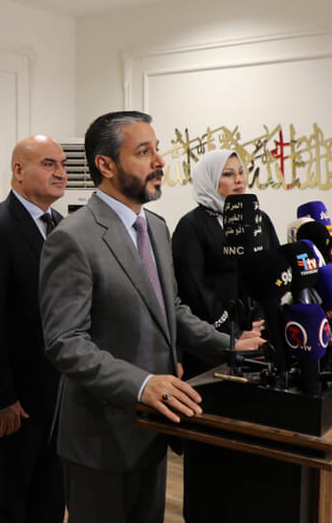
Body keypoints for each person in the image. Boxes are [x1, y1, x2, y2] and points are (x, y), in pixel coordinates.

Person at [39, 111, 265, 523]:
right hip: (100, 438)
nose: (160, 161)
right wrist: (142, 384)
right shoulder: (72, 237)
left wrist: (232, 346)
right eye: (144, 152)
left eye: (157, 150)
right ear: (106, 165)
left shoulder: (156, 227)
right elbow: (65, 342)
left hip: (153, 428)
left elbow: (170, 310)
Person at [0, 134, 67, 523]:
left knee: (50, 497)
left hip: (56, 392)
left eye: (62, 164)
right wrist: (1, 398)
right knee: (11, 502)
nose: (60, 172)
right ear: (18, 171)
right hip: (15, 400)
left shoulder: (60, 225)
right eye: (49, 164)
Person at [171, 149, 280, 378]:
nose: (239, 180)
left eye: (241, 172)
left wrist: (261, 320)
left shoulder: (260, 219)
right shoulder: (192, 225)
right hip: (211, 344)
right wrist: (233, 330)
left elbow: (274, 270)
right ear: (210, 179)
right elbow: (193, 288)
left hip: (259, 335)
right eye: (228, 174)